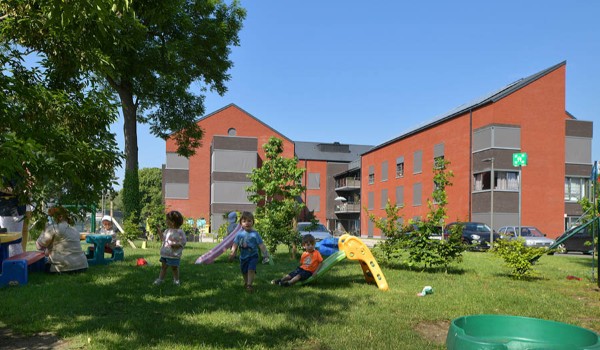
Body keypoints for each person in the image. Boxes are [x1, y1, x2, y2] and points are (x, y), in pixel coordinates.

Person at [35, 206, 88, 273]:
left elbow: (39, 246)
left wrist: (44, 230)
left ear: (60, 217)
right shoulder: (75, 229)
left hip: (62, 268)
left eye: (52, 216)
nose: (51, 219)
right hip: (82, 266)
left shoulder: (53, 228)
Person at [228, 211, 269, 293]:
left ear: (253, 222)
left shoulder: (255, 234)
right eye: (244, 221)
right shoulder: (239, 235)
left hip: (253, 256)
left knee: (251, 269)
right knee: (244, 271)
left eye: (249, 221)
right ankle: (246, 282)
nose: (247, 223)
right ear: (240, 223)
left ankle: (249, 285)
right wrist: (232, 253)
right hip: (243, 257)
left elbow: (261, 245)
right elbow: (235, 244)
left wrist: (265, 254)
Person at [154, 211, 187, 286]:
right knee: (163, 267)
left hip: (173, 254)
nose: (165, 221)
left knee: (174, 268)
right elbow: (163, 239)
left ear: (172, 222)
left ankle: (176, 280)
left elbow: (183, 241)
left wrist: (177, 245)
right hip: (165, 253)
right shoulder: (167, 231)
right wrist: (159, 232)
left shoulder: (180, 232)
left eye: (167, 220)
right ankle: (160, 279)